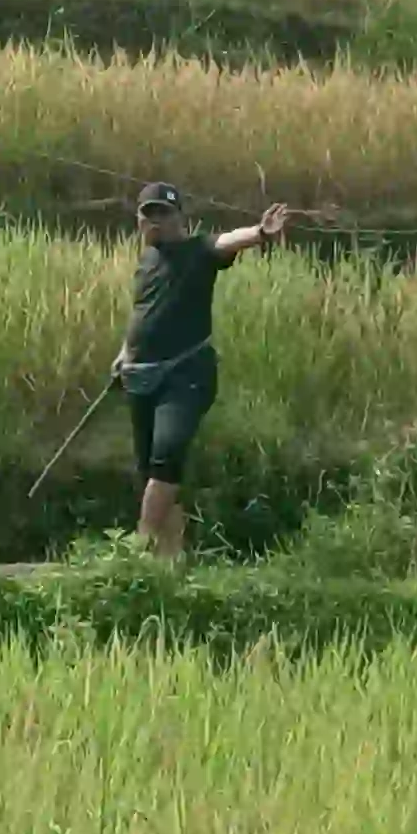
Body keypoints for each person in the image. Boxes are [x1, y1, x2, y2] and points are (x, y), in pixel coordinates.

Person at [114, 179, 293, 559]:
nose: (156, 223)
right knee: (155, 476)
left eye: (163, 214)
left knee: (166, 456)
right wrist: (124, 353)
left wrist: (260, 233)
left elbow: (227, 241)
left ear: (181, 218)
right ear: (139, 222)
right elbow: (143, 314)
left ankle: (137, 551)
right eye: (149, 216)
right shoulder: (147, 262)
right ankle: (170, 563)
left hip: (185, 374)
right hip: (140, 376)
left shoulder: (197, 251)